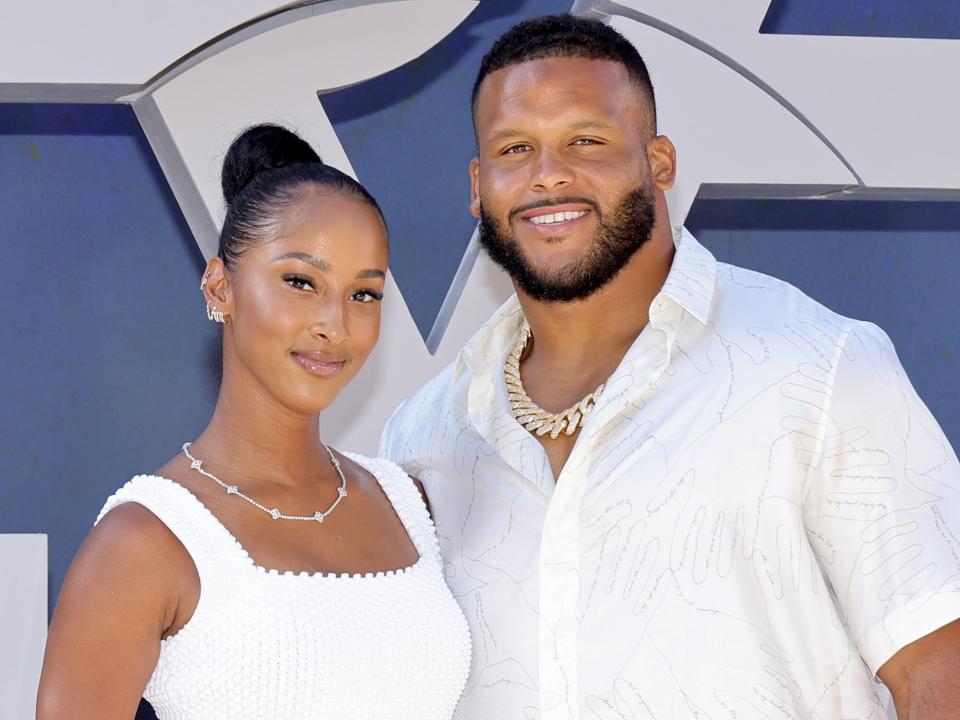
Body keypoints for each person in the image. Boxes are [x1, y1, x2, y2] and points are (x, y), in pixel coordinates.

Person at [380, 14, 960, 720]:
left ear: (659, 163)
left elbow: (938, 665)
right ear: (479, 185)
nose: (548, 174)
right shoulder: (422, 438)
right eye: (514, 148)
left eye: (585, 141)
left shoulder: (820, 367)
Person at [37, 124, 470, 720]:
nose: (335, 325)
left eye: (363, 295)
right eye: (300, 282)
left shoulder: (409, 505)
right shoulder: (145, 543)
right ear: (220, 287)